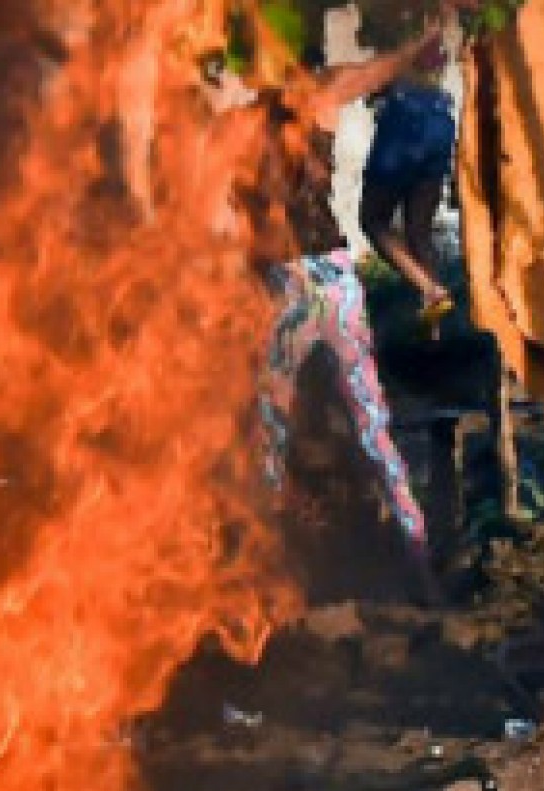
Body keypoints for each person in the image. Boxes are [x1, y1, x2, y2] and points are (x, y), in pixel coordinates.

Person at [194, 7, 456, 600]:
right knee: (368, 430)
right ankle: (416, 571)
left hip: (287, 285)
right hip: (322, 280)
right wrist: (418, 43)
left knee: (274, 437)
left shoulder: (243, 123)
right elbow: (371, 71)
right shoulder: (309, 103)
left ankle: (258, 588)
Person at [358, 38, 458, 337]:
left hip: (403, 123)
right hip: (441, 118)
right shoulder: (438, 21)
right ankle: (433, 329)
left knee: (373, 220)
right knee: (419, 232)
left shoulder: (397, 21)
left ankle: (430, 289)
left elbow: (378, 81)